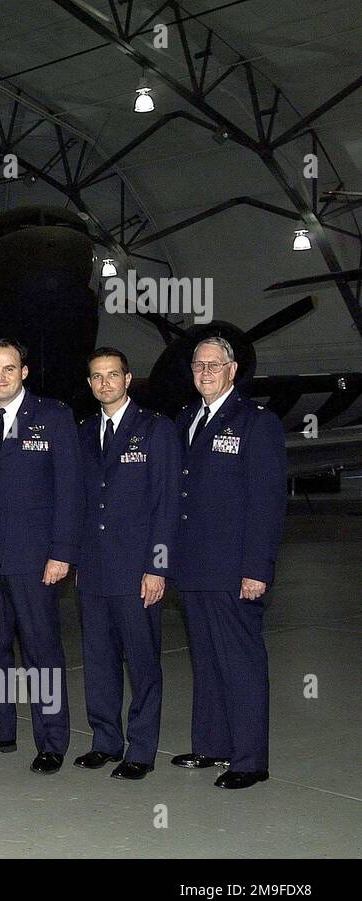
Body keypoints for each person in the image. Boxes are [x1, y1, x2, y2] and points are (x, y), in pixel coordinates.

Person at [0, 339, 80, 774]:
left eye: (9, 369)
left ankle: (51, 741)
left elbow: (70, 490)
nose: (0, 377)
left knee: (41, 650)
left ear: (24, 371)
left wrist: (62, 552)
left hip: (35, 560)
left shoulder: (54, 417)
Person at [172, 337, 286, 790]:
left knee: (240, 663)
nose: (205, 371)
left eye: (214, 365)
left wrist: (257, 569)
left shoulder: (256, 423)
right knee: (206, 660)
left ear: (232, 370)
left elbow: (268, 501)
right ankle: (213, 745)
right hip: (195, 568)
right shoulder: (187, 420)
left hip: (235, 569)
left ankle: (250, 760)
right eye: (199, 364)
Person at [74, 348, 179, 780]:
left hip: (137, 571)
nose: (105, 384)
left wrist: (157, 567)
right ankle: (105, 741)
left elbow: (167, 505)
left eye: (112, 375)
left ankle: (141, 748)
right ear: (90, 384)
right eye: (97, 377)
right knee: (98, 660)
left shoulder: (156, 430)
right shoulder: (83, 434)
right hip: (94, 570)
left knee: (142, 663)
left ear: (128, 378)